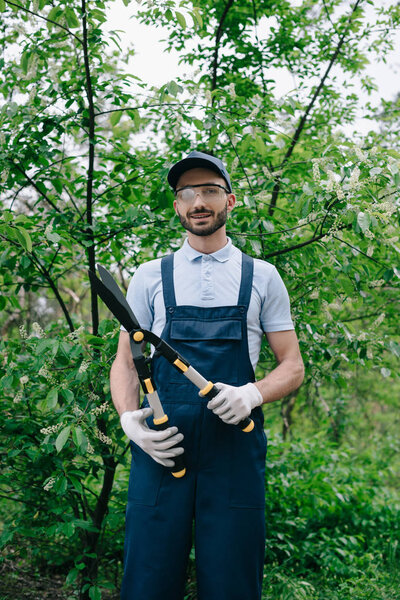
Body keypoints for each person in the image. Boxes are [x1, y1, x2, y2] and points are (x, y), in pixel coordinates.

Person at [110, 150, 304, 600]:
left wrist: (252, 394)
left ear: (230, 202)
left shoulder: (263, 277)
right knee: (147, 582)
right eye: (188, 193)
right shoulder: (149, 276)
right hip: (162, 446)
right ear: (177, 206)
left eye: (210, 191)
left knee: (233, 583)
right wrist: (128, 421)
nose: (199, 201)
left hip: (234, 449)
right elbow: (125, 361)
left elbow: (293, 366)